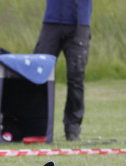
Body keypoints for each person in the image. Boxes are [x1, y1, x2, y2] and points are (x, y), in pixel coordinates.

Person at [33, 0, 92, 141]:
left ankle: (72, 128)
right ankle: (34, 124)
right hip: (52, 21)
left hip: (79, 22)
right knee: (36, 73)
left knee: (76, 77)